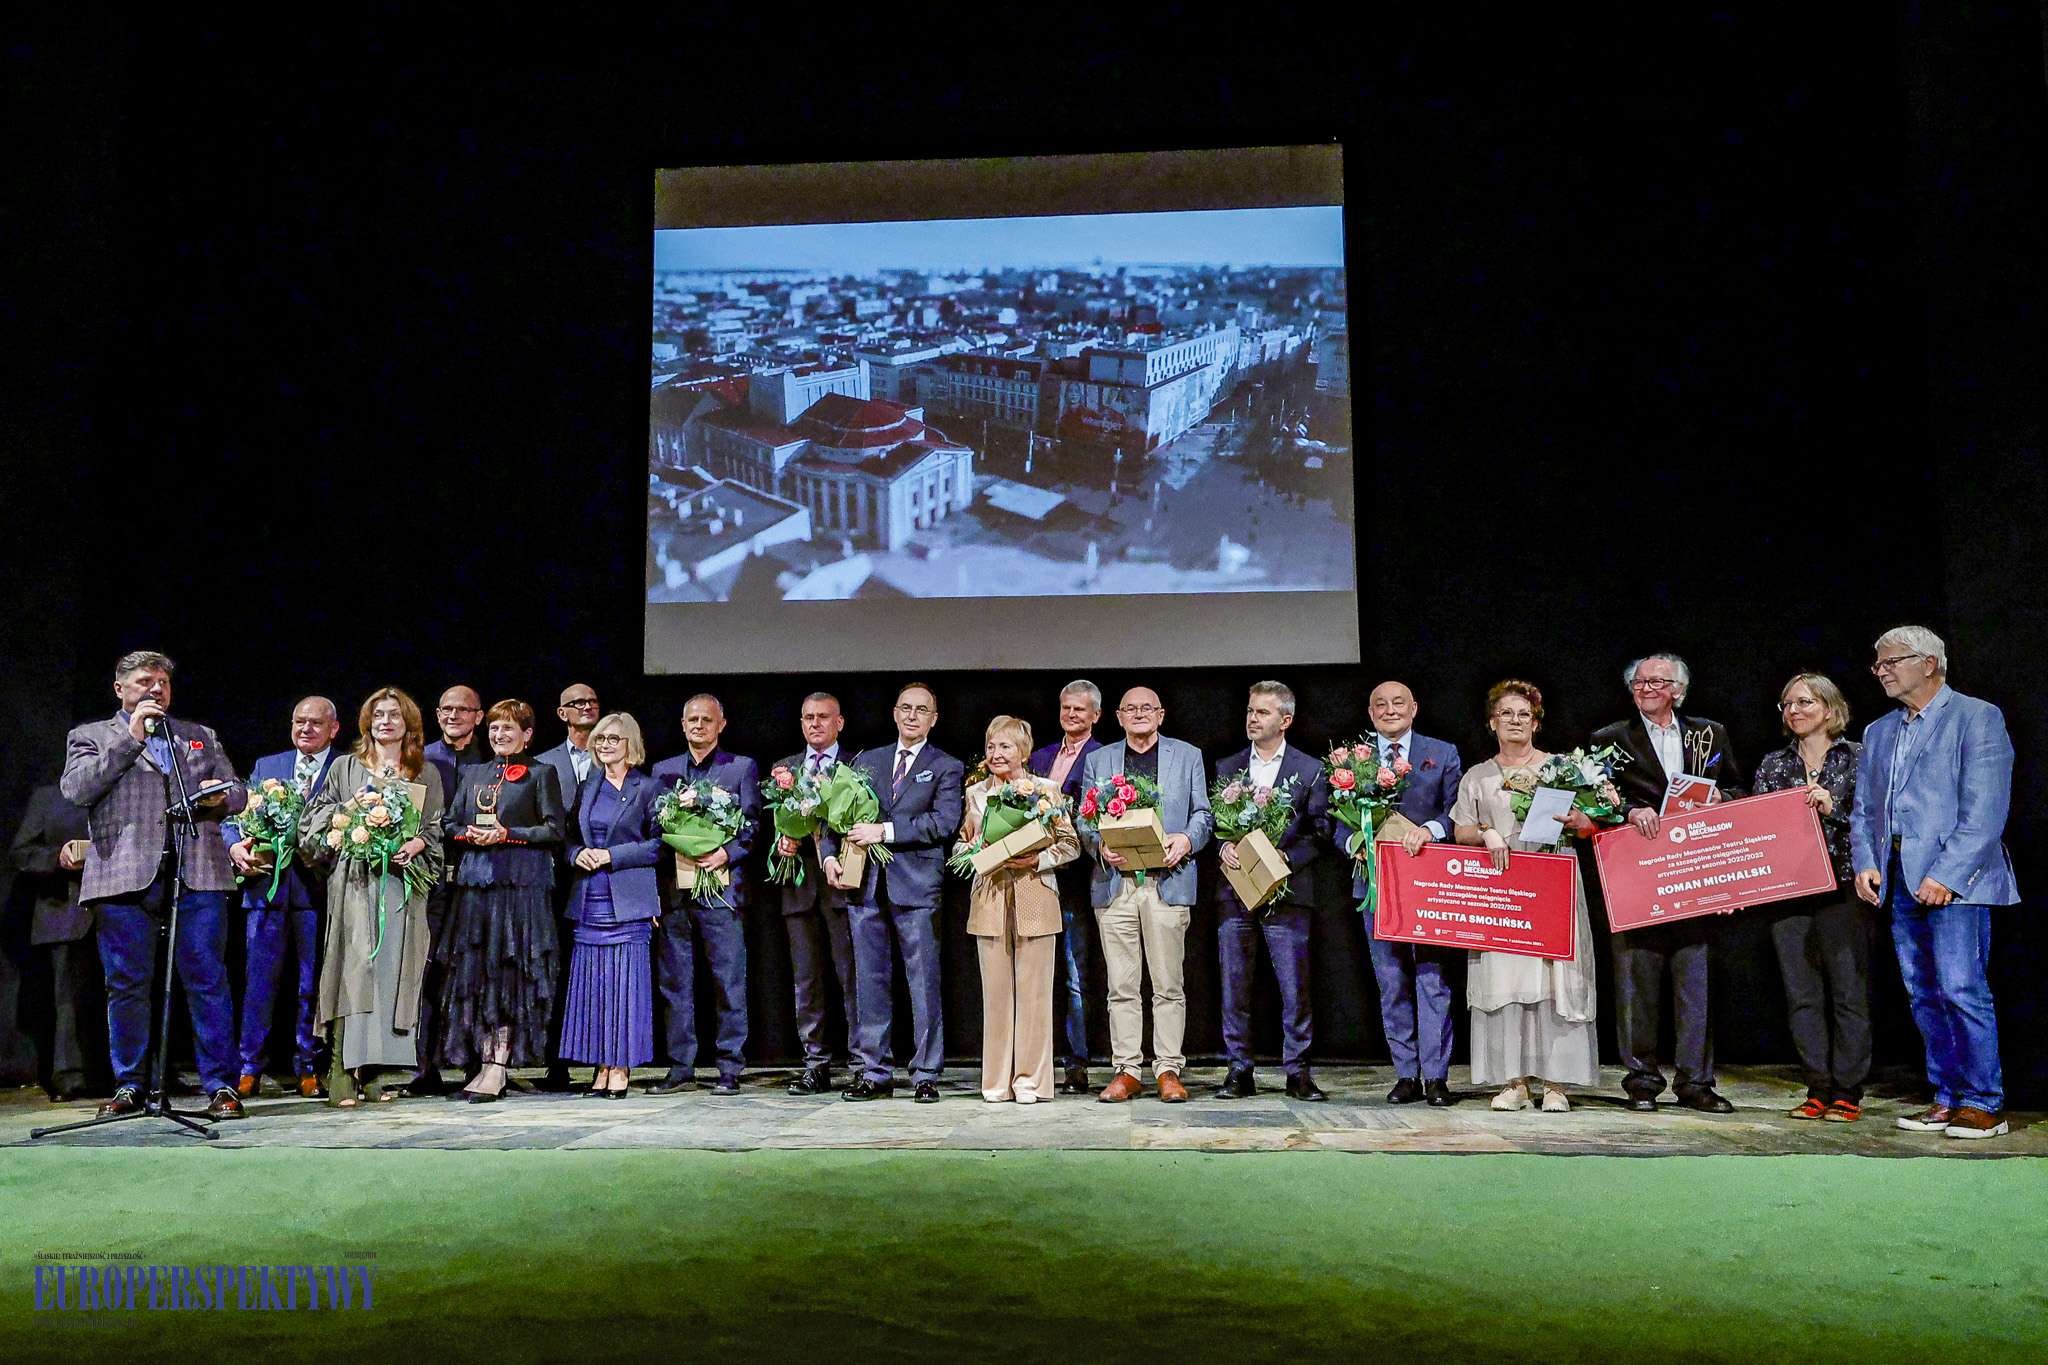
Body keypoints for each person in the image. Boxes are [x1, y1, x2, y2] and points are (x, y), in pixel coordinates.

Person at [61, 650, 248, 1121]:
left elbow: (239, 792)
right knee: (126, 985)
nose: (156, 689)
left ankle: (221, 1086)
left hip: (197, 871)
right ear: (120, 689)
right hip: (124, 877)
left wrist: (220, 797)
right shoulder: (90, 737)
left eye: (163, 681)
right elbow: (78, 789)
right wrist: (131, 737)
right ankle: (129, 1086)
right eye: (145, 680)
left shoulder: (198, 736)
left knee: (208, 981)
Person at [1850, 627, 2018, 1140]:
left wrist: (1946, 875)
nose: (1882, 671)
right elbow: (1864, 809)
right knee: (1923, 991)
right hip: (1898, 875)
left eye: (1892, 661)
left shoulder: (1977, 717)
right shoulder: (1880, 731)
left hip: (1955, 879)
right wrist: (1865, 860)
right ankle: (1946, 1096)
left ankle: (1983, 1102)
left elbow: (1986, 810)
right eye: (1878, 664)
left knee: (1961, 986)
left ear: (1930, 664)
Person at [1592, 652, 1747, 1114]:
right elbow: (1593, 804)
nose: (1647, 688)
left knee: (1695, 985)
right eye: (1639, 682)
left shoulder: (1709, 733)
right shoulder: (1608, 739)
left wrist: (1720, 795)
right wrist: (1626, 812)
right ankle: (1641, 1082)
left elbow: (1741, 792)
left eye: (1658, 682)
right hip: (1638, 878)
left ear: (1678, 690)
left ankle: (1697, 1083)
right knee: (1636, 985)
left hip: (1695, 874)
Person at [1450, 681, 1601, 1112]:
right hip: (1501, 895)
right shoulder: (1478, 776)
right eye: (1506, 714)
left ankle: (1556, 1084)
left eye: (1524, 714)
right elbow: (1462, 830)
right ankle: (1513, 1083)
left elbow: (1593, 825)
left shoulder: (1563, 769)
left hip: (1554, 886)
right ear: (1491, 722)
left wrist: (1578, 818)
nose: (1515, 721)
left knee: (1556, 982)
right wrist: (1486, 831)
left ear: (1536, 721)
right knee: (1506, 982)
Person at [299, 689, 443, 1107]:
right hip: (356, 882)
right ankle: (342, 1069)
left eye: (394, 715)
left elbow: (434, 827)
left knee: (392, 972)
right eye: (377, 714)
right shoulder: (346, 767)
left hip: (401, 883)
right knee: (355, 968)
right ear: (367, 722)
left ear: (408, 723)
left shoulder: (424, 772)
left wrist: (416, 844)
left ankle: (379, 1071)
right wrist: (348, 811)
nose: (385, 721)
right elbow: (314, 822)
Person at [821, 682, 965, 1103]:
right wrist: (830, 858)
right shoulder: (869, 760)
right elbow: (835, 817)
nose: (912, 716)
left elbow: (943, 823)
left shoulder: (946, 765)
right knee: (868, 982)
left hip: (916, 889)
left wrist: (884, 831)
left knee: (923, 983)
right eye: (905, 708)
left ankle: (925, 1073)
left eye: (922, 710)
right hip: (864, 888)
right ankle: (874, 1071)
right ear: (894, 713)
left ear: (934, 719)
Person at [1078, 685, 1212, 1104]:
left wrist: (1186, 840)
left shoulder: (1187, 755)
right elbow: (1084, 820)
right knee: (1121, 985)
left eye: (1147, 708)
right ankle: (1127, 1070)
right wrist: (1099, 845)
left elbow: (1203, 814)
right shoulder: (1098, 760)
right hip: (1116, 887)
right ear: (1117, 717)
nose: (1139, 714)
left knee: (1169, 984)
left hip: (1166, 884)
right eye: (1130, 709)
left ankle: (1169, 1068)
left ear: (1161, 714)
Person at [1752, 673, 1870, 1121]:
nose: (1794, 710)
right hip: (1789, 890)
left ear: (1829, 707)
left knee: (1848, 992)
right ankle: (1817, 1087)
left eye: (1804, 702)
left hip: (1843, 886)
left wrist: (1833, 807)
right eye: (1787, 704)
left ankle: (1848, 1091)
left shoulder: (1860, 757)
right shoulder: (1773, 764)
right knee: (1802, 995)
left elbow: (1879, 817)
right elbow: (1757, 829)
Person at [438, 699, 566, 1102]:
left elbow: (553, 830)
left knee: (510, 974)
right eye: (494, 729)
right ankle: (482, 1063)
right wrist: (469, 836)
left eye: (508, 729)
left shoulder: (541, 774)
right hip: (477, 888)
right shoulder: (476, 772)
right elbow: (450, 823)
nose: (499, 735)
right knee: (478, 975)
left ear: (527, 734)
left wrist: (507, 833)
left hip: (520, 889)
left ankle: (498, 1066)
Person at [1213, 681, 1328, 1101]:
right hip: (1237, 893)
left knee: (1294, 988)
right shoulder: (1228, 766)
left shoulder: (1310, 768)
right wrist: (1223, 845)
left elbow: (1321, 831)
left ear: (1286, 720)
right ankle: (1239, 1070)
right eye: (1249, 711)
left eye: (1261, 712)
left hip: (1288, 893)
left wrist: (1284, 858)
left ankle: (1297, 1072)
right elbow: (1213, 825)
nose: (1251, 719)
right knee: (1234, 986)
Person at [957, 716, 1080, 1103]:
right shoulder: (975, 794)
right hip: (990, 899)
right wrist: (974, 850)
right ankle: (996, 1082)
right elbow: (961, 847)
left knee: (1035, 995)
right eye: (991, 746)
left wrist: (1037, 860)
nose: (996, 754)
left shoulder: (1047, 790)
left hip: (1036, 896)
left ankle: (1030, 1081)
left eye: (1005, 747)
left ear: (1023, 752)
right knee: (995, 996)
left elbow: (1070, 844)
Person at [224, 695, 340, 1099]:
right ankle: (249, 1067)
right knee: (259, 984)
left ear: (333, 729)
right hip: (265, 890)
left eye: (314, 723)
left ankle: (309, 1066)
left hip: (316, 890)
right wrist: (235, 846)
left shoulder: (343, 768)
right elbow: (235, 816)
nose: (305, 729)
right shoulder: (267, 767)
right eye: (298, 722)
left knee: (312, 985)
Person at [1356, 680, 1464, 1107]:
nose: (1390, 710)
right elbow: (1337, 819)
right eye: (1380, 704)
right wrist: (1355, 843)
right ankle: (1405, 1074)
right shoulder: (1353, 761)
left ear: (1414, 708)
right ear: (1370, 713)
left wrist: (1430, 831)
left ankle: (1436, 1077)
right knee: (1391, 980)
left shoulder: (1443, 752)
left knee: (1432, 980)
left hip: (1431, 881)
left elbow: (1457, 811)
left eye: (1398, 702)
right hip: (1375, 883)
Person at [645, 693, 760, 1095]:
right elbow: (654, 832)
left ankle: (729, 1067)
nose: (698, 725)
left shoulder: (741, 768)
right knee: (675, 984)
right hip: (675, 894)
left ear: (721, 725)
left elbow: (753, 828)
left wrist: (726, 852)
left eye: (706, 720)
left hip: (721, 893)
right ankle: (681, 1066)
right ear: (682, 724)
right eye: (691, 719)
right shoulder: (663, 771)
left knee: (728, 983)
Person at [561, 713, 661, 1098]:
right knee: (595, 987)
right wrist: (579, 855)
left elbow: (658, 844)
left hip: (630, 900)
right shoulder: (589, 787)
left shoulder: (647, 787)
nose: (604, 745)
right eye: (600, 739)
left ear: (629, 744)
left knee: (626, 986)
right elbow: (568, 839)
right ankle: (601, 1065)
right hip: (590, 900)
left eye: (612, 739)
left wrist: (609, 855)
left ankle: (621, 1066)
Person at [772, 692, 858, 1096]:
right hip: (798, 889)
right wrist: (783, 843)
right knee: (806, 981)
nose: (815, 724)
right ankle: (815, 1064)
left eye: (823, 717)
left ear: (839, 722)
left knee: (852, 978)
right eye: (808, 717)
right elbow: (772, 826)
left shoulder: (855, 766)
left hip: (843, 886)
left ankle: (863, 1063)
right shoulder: (785, 770)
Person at [1027, 679, 1105, 1095]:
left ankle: (1077, 1063)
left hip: (1074, 881)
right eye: (1066, 708)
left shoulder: (1104, 758)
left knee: (1076, 976)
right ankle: (1035, 1059)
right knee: (1036, 976)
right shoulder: (1037, 758)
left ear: (1095, 715)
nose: (1072, 715)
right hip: (1032, 880)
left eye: (1080, 710)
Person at [414, 684, 493, 1094]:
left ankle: (476, 1065)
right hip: (432, 881)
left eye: (463, 710)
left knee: (476, 973)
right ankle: (423, 1066)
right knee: (428, 971)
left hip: (480, 880)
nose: (453, 716)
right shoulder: (421, 759)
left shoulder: (494, 760)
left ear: (479, 717)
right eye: (446, 709)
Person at [9, 781, 98, 1100]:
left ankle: (128, 1074)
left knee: (128, 994)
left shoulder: (121, 791)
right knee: (68, 1000)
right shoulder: (48, 797)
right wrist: (56, 858)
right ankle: (68, 1075)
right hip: (64, 911)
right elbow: (21, 853)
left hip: (119, 912)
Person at [535, 683, 601, 1093]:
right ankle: (554, 1062)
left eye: (593, 702)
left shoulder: (615, 759)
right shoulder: (543, 764)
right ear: (562, 714)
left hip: (599, 879)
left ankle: (603, 1060)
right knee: (555, 973)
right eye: (578, 703)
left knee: (598, 972)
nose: (587, 708)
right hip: (554, 881)